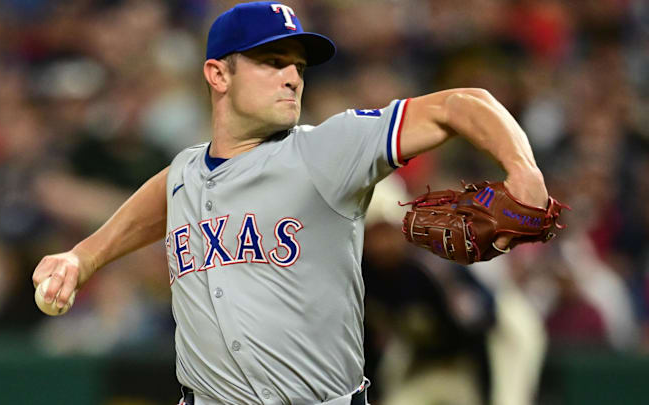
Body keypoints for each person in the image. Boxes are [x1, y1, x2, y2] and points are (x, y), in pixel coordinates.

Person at [32, 2, 549, 404]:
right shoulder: (186, 172)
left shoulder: (327, 150)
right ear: (218, 75)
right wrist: (84, 257)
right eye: (271, 61)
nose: (293, 76)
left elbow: (463, 104)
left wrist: (523, 169)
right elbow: (165, 194)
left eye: (297, 64)